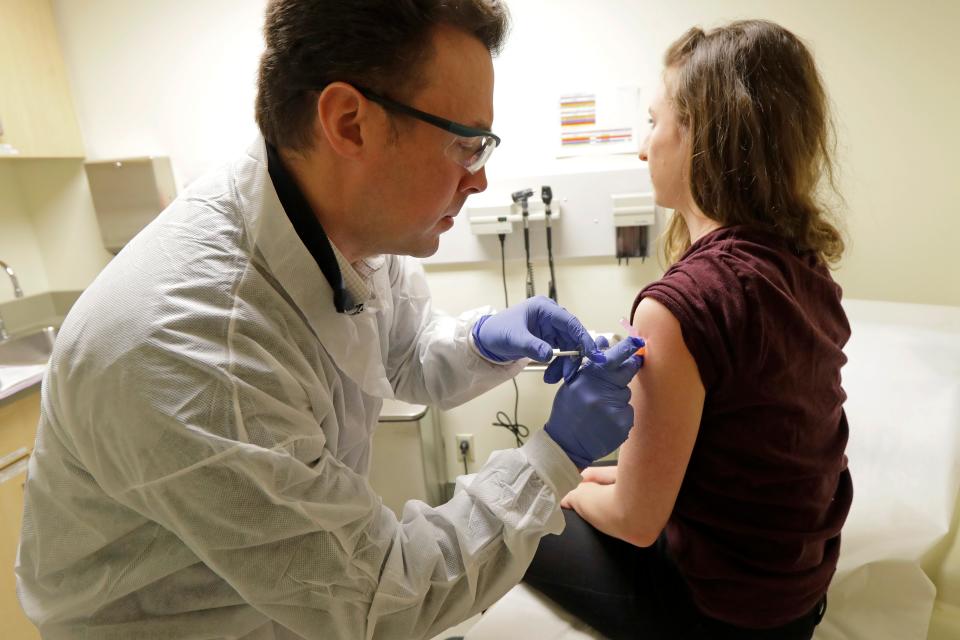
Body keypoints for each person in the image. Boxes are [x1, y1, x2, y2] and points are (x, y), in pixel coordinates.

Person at [15, 1, 646, 638]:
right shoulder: (195, 343)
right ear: (349, 123)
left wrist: (485, 340)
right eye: (466, 144)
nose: (479, 180)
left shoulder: (339, 224)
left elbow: (396, 351)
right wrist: (553, 455)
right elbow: (380, 597)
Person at [524, 19, 851, 640]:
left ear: (705, 136)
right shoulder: (805, 271)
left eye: (653, 121)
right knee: (597, 477)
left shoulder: (678, 307)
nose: (644, 147)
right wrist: (614, 476)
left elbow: (636, 521)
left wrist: (563, 490)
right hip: (798, 599)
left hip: (721, 616)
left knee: (511, 511)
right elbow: (739, 451)